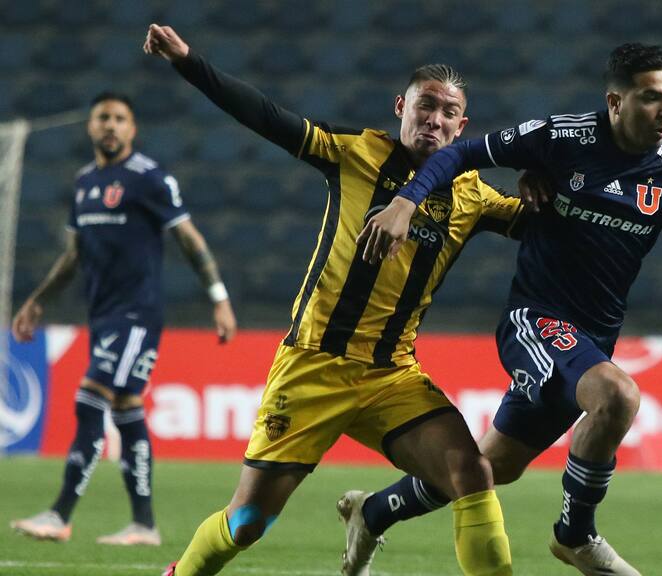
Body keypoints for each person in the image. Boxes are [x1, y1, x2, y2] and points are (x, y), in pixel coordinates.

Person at [352, 43, 662, 576]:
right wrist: (407, 201)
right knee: (617, 395)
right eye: (649, 98)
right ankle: (576, 536)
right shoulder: (563, 137)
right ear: (615, 102)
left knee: (490, 467)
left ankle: (372, 511)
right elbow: (460, 154)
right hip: (534, 319)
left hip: (593, 336)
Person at [143, 22, 537, 576]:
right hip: (312, 365)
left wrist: (551, 180)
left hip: (391, 376)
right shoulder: (354, 153)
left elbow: (547, 224)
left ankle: (387, 521)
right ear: (402, 106)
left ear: (463, 125)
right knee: (249, 522)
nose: (436, 120)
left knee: (472, 473)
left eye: (449, 113)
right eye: (426, 106)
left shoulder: (472, 194)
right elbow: (265, 116)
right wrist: (189, 61)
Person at [10, 91, 237, 546]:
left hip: (137, 313)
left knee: (89, 397)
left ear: (132, 128)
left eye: (119, 118)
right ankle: (144, 525)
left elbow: (189, 239)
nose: (110, 125)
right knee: (126, 408)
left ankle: (60, 514)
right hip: (104, 314)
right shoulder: (84, 182)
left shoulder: (148, 178)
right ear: (91, 126)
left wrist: (219, 297)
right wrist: (37, 300)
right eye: (102, 118)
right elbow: (73, 256)